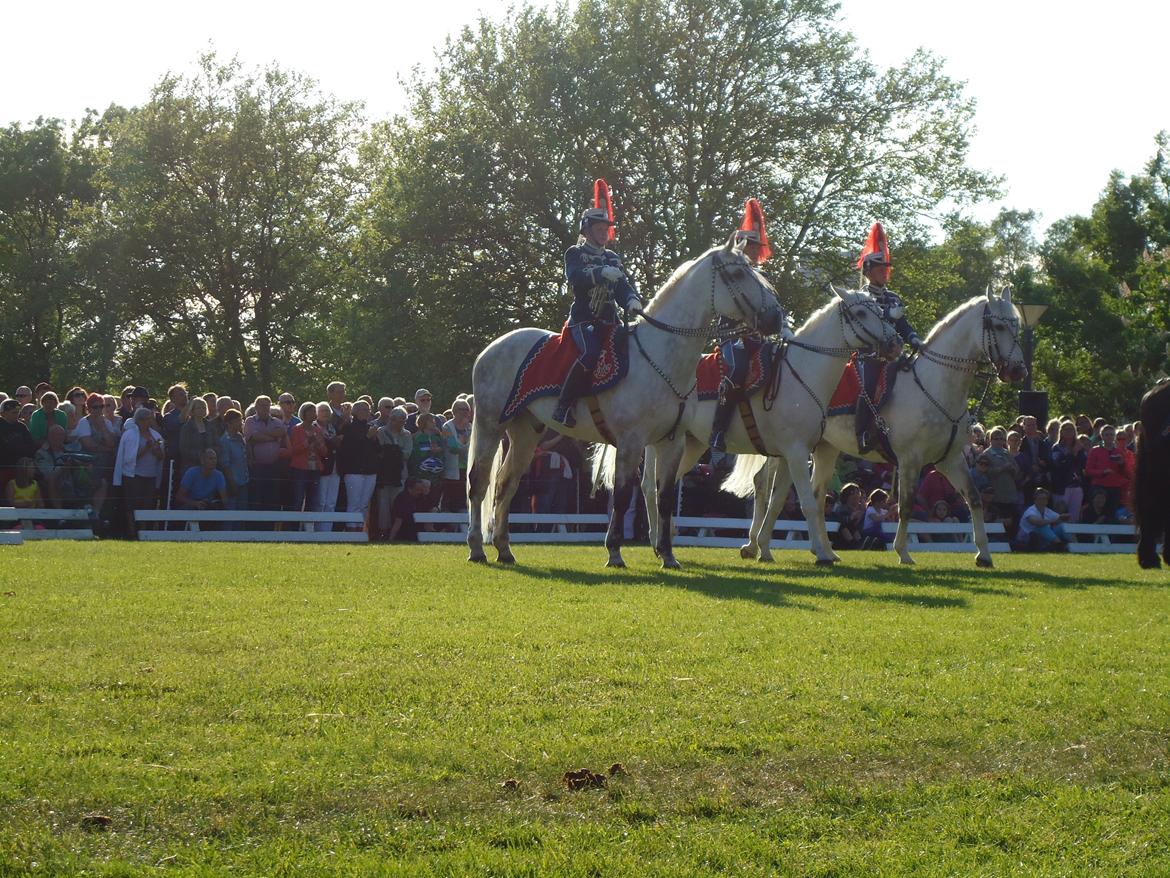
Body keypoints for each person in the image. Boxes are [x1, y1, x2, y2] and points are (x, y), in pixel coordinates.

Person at [552, 178, 644, 427]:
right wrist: (599, 274)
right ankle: (564, 404)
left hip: (609, 320)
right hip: (584, 320)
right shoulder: (575, 253)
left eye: (606, 228)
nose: (605, 232)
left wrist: (632, 299)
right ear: (587, 230)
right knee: (591, 353)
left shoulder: (612, 257)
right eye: (600, 228)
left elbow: (623, 286)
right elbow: (575, 278)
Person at [710, 198, 774, 451]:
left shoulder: (764, 276)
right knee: (737, 369)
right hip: (732, 335)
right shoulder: (731, 274)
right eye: (751, 246)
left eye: (758, 247)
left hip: (759, 338)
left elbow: (772, 309)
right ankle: (719, 429)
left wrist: (785, 328)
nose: (756, 251)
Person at [853, 223, 922, 454]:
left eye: (886, 268)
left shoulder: (893, 297)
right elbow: (865, 326)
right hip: (869, 355)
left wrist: (914, 339)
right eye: (880, 268)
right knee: (869, 388)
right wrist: (884, 315)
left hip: (895, 355)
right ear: (869, 271)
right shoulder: (861, 298)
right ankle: (862, 433)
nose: (885, 272)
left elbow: (903, 325)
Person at [113, 406, 165, 538]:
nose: (150, 422)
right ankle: (132, 531)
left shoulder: (156, 436)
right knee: (132, 505)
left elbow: (161, 457)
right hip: (134, 476)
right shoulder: (130, 435)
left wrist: (157, 451)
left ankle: (144, 531)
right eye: (147, 419)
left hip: (151, 475)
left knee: (147, 504)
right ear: (140, 420)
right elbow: (129, 458)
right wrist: (146, 449)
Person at [336, 400, 380, 531]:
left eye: (368, 410)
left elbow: (378, 450)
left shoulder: (370, 428)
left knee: (364, 503)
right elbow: (349, 449)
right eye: (364, 410)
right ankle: (351, 529)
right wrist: (367, 437)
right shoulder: (349, 428)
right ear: (356, 412)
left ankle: (360, 528)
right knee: (354, 503)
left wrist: (373, 439)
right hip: (354, 471)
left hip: (370, 470)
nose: (368, 413)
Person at [244, 396, 288, 513]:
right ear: (256, 406)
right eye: (262, 405)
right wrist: (273, 437)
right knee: (258, 498)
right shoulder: (250, 421)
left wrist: (262, 434)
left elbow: (282, 431)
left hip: (274, 466)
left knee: (273, 498)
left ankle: (271, 527)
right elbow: (254, 437)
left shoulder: (277, 421)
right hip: (257, 466)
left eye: (267, 405)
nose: (265, 408)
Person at [375, 406, 412, 539]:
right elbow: (380, 451)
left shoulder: (407, 434)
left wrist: (392, 451)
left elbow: (407, 454)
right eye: (398, 420)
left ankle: (396, 532)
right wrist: (396, 451)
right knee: (383, 504)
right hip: (384, 474)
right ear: (391, 419)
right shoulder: (381, 432)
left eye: (403, 420)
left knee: (397, 504)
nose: (401, 423)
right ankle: (383, 532)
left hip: (400, 473)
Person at [288, 402, 326, 526]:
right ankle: (293, 530)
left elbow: (324, 452)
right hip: (300, 469)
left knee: (313, 501)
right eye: (309, 412)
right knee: (298, 500)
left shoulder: (318, 430)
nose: (312, 414)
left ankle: (308, 530)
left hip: (315, 470)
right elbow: (294, 450)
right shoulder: (296, 429)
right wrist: (307, 443)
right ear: (303, 413)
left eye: (314, 411)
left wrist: (319, 444)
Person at [1084, 424, 1133, 518]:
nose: (1109, 437)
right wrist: (1102, 472)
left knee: (1111, 514)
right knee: (1095, 513)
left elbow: (1127, 474)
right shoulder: (1095, 451)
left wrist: (1122, 464)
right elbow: (1088, 470)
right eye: (1107, 435)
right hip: (1099, 487)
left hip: (1114, 488)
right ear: (1102, 436)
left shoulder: (1119, 452)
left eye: (1111, 434)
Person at [217, 409, 250, 527]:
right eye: (237, 421)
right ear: (229, 423)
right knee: (231, 511)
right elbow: (225, 464)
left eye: (240, 420)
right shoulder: (224, 441)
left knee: (242, 512)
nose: (240, 423)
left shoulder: (240, 437)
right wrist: (231, 482)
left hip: (244, 480)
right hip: (232, 482)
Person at [440, 398, 472, 512]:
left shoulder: (470, 427)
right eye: (461, 409)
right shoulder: (446, 427)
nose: (464, 412)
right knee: (451, 502)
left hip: (468, 471)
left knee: (464, 502)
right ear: (454, 411)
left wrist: (463, 444)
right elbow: (453, 448)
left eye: (466, 409)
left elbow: (472, 448)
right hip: (452, 472)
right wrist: (464, 444)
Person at [0, 397, 37, 493]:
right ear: (3, 413)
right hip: (3, 466)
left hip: (21, 466)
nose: (17, 415)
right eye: (13, 412)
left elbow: (31, 447)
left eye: (17, 412)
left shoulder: (21, 427)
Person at [176, 447, 229, 512]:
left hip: (208, 507)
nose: (214, 461)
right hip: (190, 506)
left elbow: (225, 500)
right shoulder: (191, 472)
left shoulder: (219, 475)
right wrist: (195, 503)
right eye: (210, 458)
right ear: (202, 461)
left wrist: (219, 505)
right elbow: (179, 496)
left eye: (215, 458)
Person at [1016, 486, 1070, 551]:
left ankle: (1074, 545)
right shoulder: (1030, 510)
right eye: (1040, 498)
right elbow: (1037, 523)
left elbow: (1060, 518)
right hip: (1027, 539)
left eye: (1044, 498)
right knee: (1042, 527)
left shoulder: (1047, 511)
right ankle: (1059, 545)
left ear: (1047, 501)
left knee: (1062, 526)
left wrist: (1064, 517)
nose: (1042, 500)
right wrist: (1054, 520)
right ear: (1035, 500)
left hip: (1043, 538)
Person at [388, 477, 431, 542]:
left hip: (420, 528)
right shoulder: (402, 499)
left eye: (421, 489)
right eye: (417, 490)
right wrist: (390, 539)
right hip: (406, 530)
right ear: (409, 489)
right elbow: (398, 520)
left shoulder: (422, 497)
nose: (420, 492)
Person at [179, 397, 216, 472]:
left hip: (211, 466)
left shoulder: (210, 426)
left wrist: (212, 454)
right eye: (198, 408)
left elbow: (217, 444)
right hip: (192, 466)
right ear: (192, 411)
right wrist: (202, 456)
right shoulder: (187, 428)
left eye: (204, 407)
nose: (202, 410)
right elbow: (184, 450)